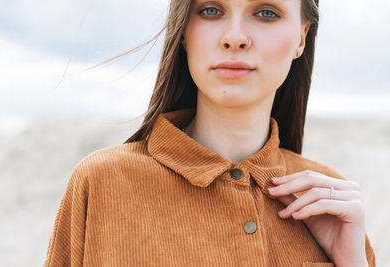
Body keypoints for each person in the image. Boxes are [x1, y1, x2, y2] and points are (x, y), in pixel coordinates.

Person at [44, 0, 376, 266]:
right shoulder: (104, 182)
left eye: (266, 13)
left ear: (302, 37)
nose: (235, 37)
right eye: (211, 10)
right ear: (184, 30)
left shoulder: (330, 201)